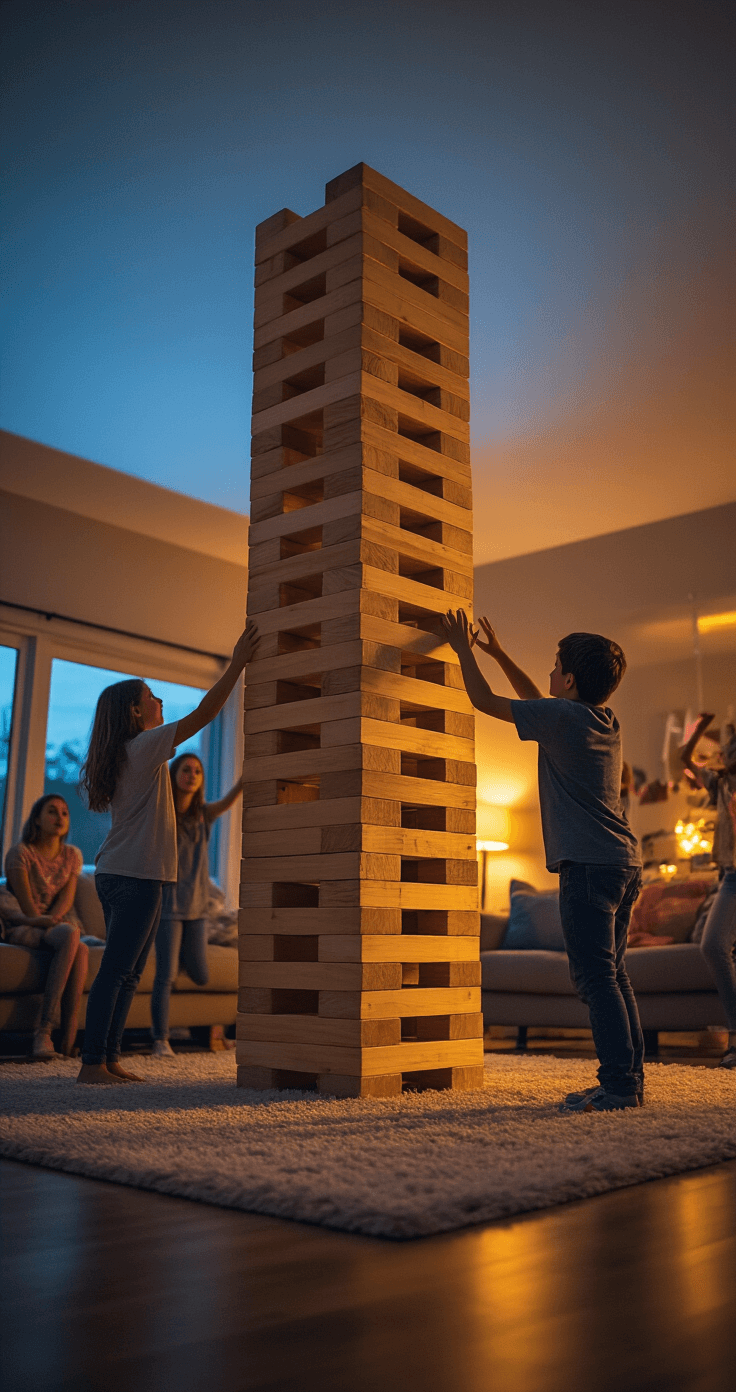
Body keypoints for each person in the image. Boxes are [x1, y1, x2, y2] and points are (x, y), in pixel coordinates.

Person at [443, 611, 643, 1112]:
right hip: (623, 862)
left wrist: (461, 648)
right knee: (614, 975)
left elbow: (483, 701)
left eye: (556, 667)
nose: (551, 673)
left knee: (596, 979)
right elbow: (542, 701)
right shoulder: (601, 719)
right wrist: (497, 651)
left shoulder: (562, 718)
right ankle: (628, 1081)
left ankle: (618, 1087)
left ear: (570, 679)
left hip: (589, 866)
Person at [76, 621, 259, 1085]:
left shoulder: (130, 749)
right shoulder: (142, 745)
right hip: (134, 876)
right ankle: (93, 1063)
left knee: (130, 973)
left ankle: (108, 1058)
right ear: (136, 713)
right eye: (151, 696)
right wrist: (237, 663)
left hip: (128, 873)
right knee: (119, 971)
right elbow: (203, 714)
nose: (159, 701)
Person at [150, 752, 245, 1058]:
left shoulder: (203, 814)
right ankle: (160, 1039)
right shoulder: (161, 814)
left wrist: (247, 777)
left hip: (197, 908)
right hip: (168, 906)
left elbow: (229, 800)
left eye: (197, 771)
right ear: (174, 774)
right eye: (186, 770)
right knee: (164, 975)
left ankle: (175, 955)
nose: (191, 775)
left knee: (201, 974)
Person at [5, 794, 89, 1058]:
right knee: (71, 935)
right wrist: (47, 922)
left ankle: (68, 1035)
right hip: (23, 923)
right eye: (52, 812)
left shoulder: (72, 855)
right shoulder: (21, 853)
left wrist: (54, 921)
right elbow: (28, 908)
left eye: (64, 813)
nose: (60, 818)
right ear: (37, 820)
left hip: (54, 924)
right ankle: (44, 1031)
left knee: (82, 948)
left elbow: (66, 901)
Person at [681, 713, 736, 1068]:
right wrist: (699, 730)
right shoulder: (720, 784)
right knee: (713, 945)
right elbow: (683, 760)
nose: (727, 753)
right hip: (730, 876)